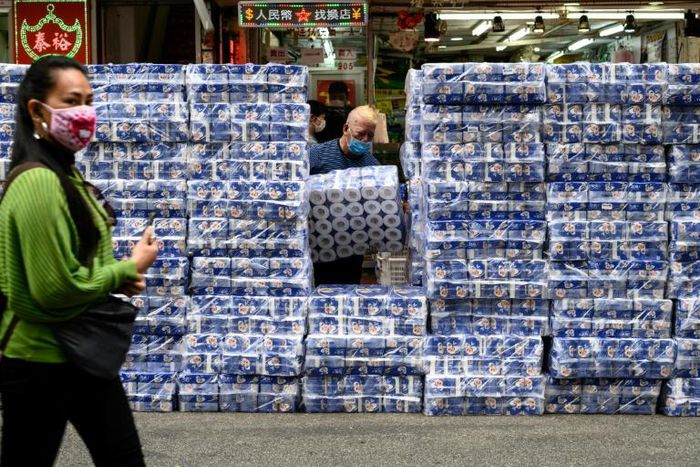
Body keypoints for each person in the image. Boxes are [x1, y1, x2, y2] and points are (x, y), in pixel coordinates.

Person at [0, 56, 158, 466]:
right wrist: (128, 268)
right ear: (37, 110)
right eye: (71, 101)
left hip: (78, 354)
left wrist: (112, 279)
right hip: (42, 360)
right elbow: (54, 289)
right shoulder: (38, 181)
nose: (85, 113)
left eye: (88, 100)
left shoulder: (65, 175)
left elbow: (70, 265)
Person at [309, 105, 380, 285]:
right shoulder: (317, 155)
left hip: (352, 250)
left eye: (369, 136)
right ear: (346, 128)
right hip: (317, 247)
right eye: (360, 134)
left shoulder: (373, 166)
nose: (364, 140)